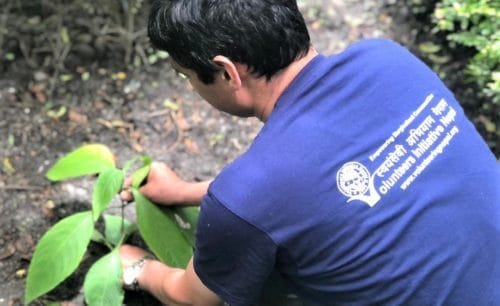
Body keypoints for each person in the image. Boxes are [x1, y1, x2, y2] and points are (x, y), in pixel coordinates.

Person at [119, 0, 500, 305]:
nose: (189, 88)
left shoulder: (247, 195)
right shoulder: (386, 59)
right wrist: (185, 192)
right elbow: (313, 182)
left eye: (184, 76)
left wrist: (136, 266)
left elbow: (193, 298)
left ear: (227, 72)